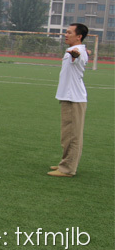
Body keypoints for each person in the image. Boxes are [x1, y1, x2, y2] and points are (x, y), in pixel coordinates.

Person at [48, 23, 89, 178]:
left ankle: (68, 168)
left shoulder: (76, 51)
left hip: (74, 99)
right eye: (66, 32)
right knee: (67, 134)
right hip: (69, 97)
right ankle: (66, 162)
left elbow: (76, 57)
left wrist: (75, 54)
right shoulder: (77, 50)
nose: (66, 35)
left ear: (79, 36)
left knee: (72, 136)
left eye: (69, 32)